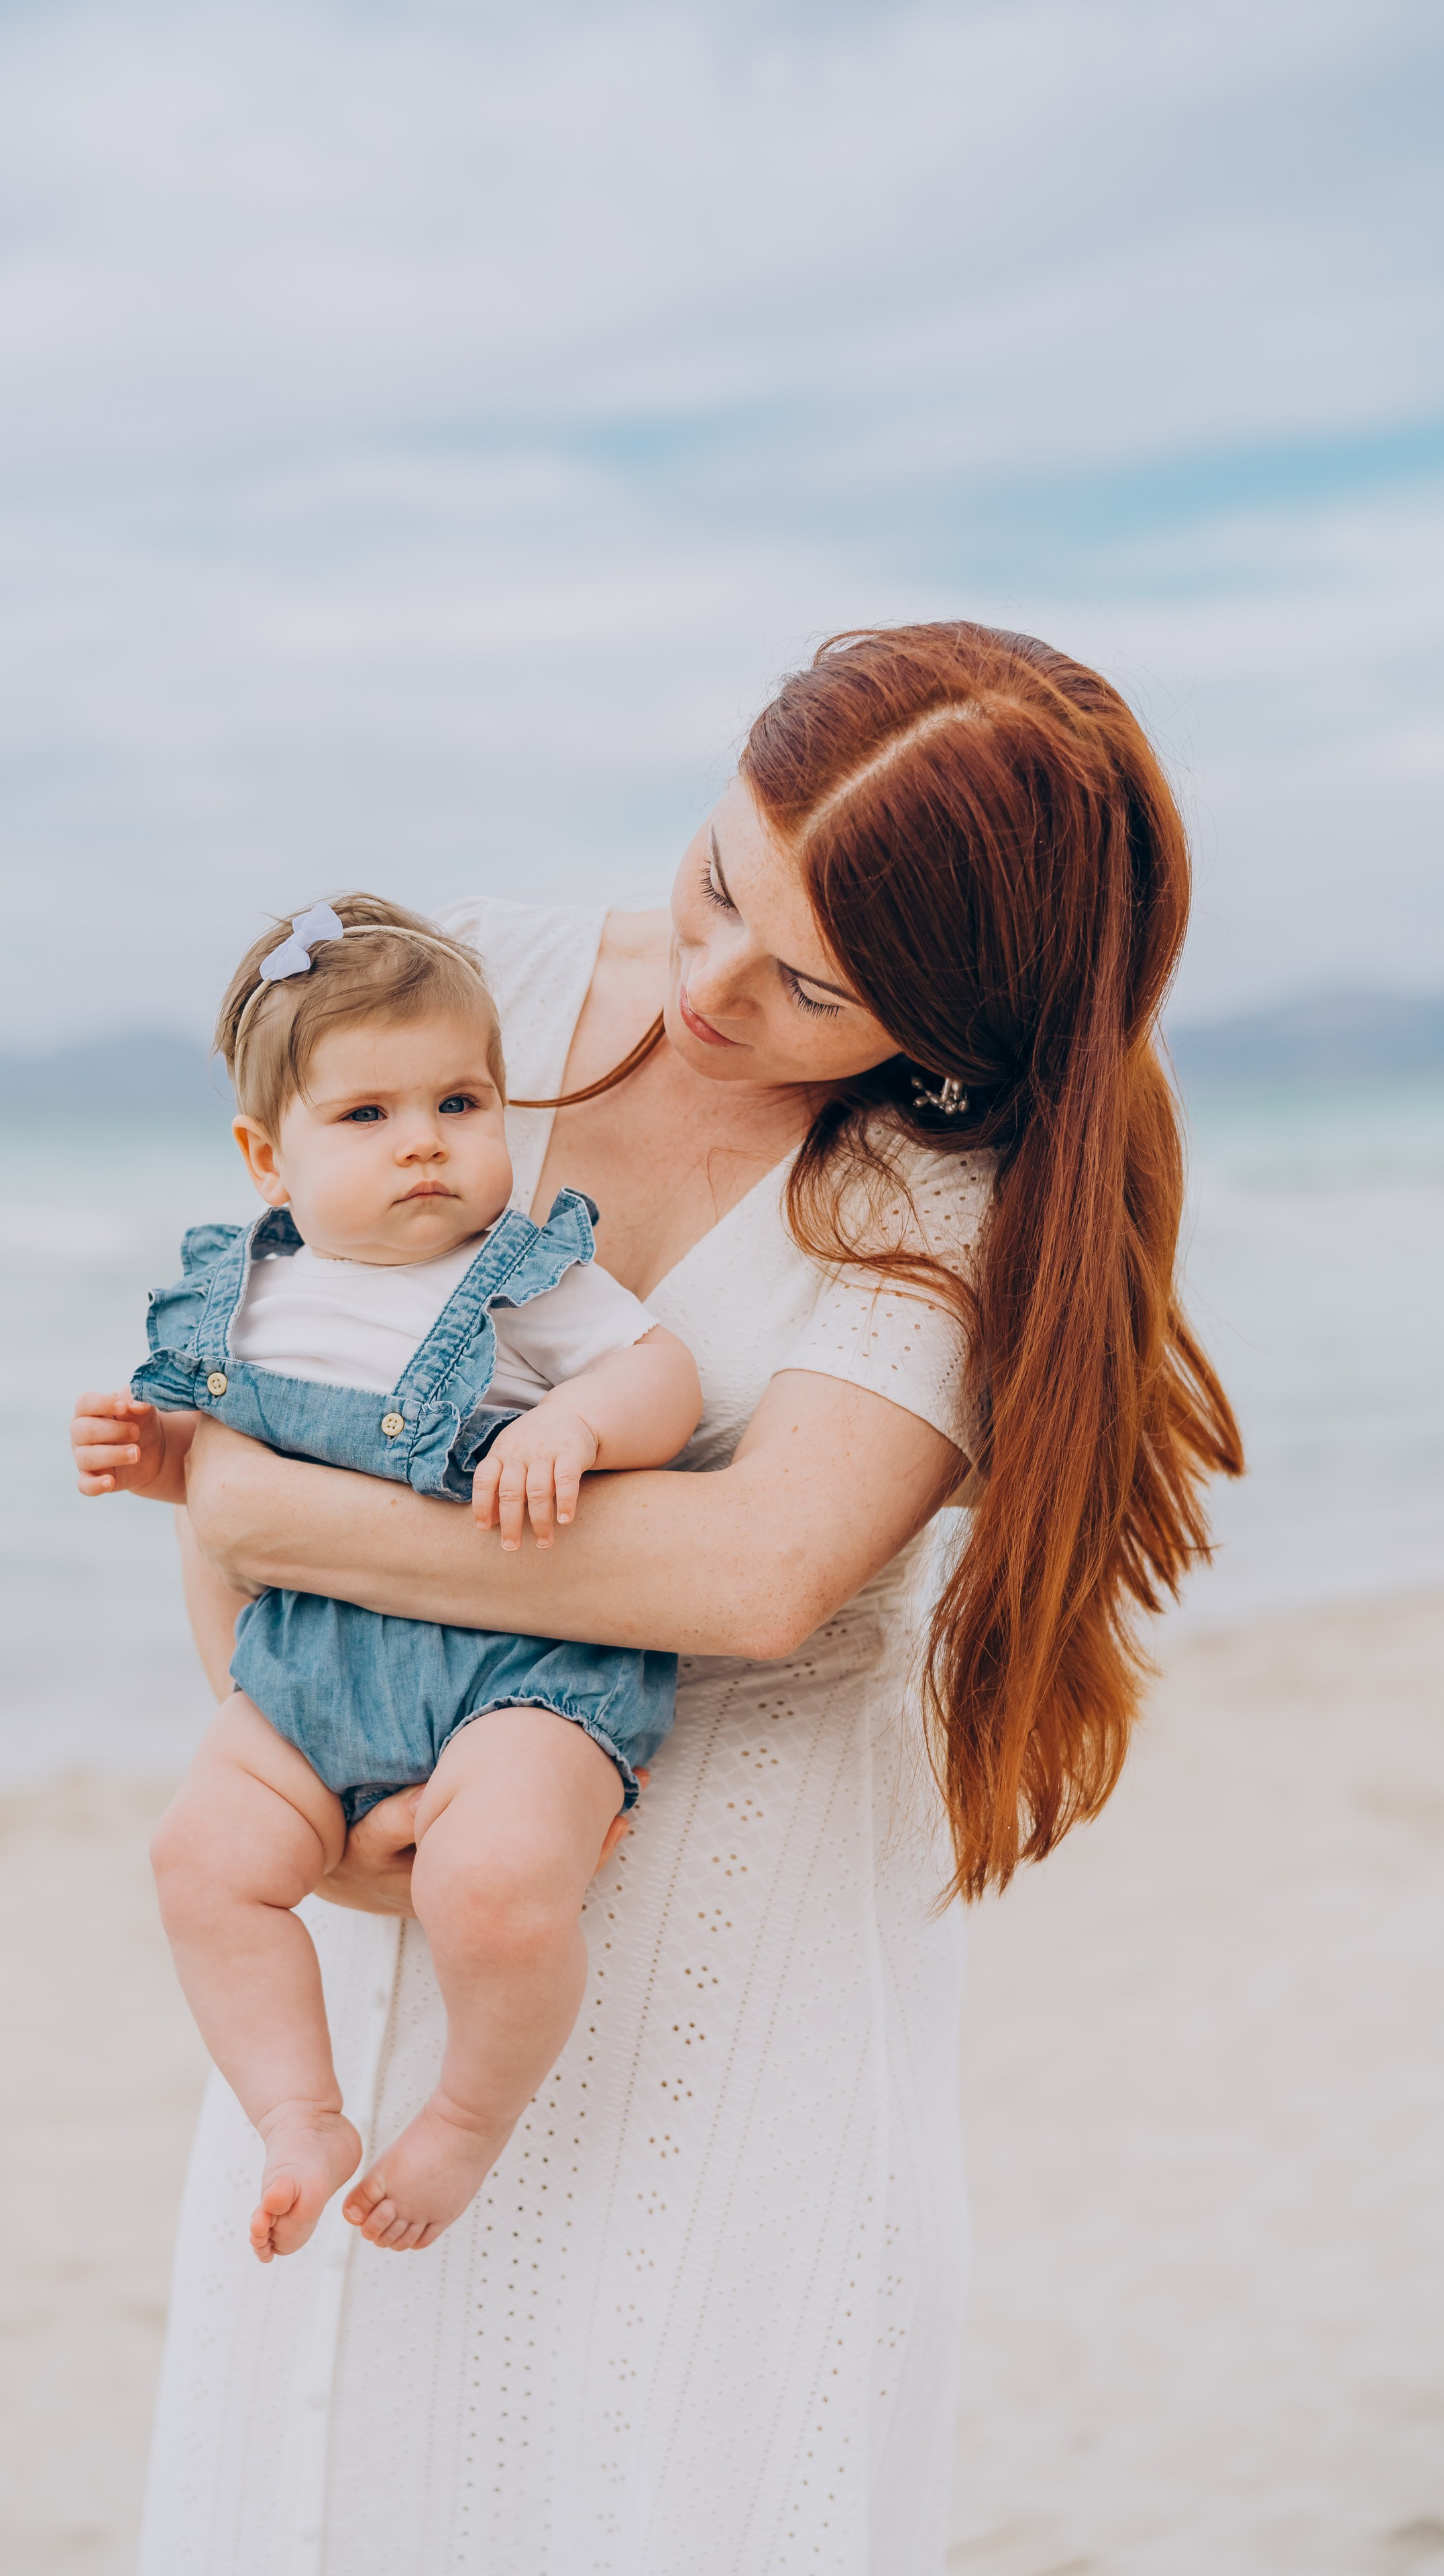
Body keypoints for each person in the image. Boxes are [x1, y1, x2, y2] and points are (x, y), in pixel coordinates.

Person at [137, 624, 1242, 2576]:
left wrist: (272, 1505)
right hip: (392, 1962)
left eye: (815, 986)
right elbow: (260, 1346)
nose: (717, 985)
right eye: (720, 880)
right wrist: (309, 1768)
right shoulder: (476, 999)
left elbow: (752, 1575)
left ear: (950, 1029)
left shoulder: (945, 1183)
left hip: (732, 2001)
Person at [70, 896, 700, 2261]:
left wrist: (574, 1424)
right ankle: (298, 2110)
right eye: (364, 1116)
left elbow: (663, 1380)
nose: (423, 1140)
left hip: (517, 1669)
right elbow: (237, 1482)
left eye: (459, 1100)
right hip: (313, 1661)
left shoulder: (524, 1275)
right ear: (266, 1158)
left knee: (493, 1885)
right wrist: (156, 1453)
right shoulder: (247, 1298)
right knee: (201, 1861)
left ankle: (467, 2115)